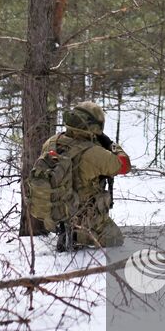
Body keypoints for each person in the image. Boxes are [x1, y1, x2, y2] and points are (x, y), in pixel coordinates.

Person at [40, 101, 131, 250]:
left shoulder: (51, 142)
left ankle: (66, 231)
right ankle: (79, 235)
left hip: (53, 218)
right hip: (86, 221)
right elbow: (125, 165)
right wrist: (110, 143)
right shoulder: (94, 153)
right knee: (116, 239)